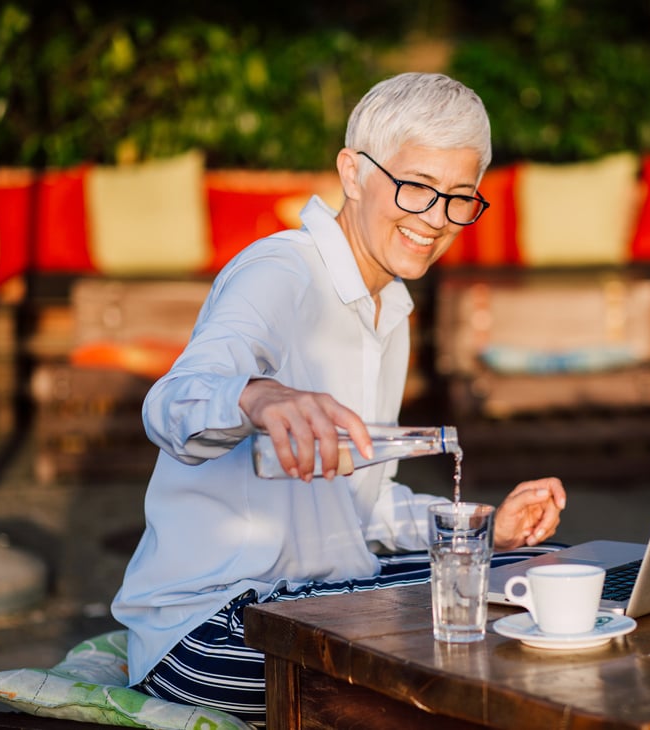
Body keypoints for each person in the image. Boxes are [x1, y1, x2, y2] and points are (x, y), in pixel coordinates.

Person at [111, 72, 567, 722]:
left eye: (458, 199)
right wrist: (258, 396)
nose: (434, 221)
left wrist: (485, 527)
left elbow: (361, 506)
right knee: (477, 659)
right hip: (205, 632)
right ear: (352, 173)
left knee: (531, 586)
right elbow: (173, 404)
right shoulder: (281, 272)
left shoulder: (388, 309)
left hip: (309, 596)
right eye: (415, 188)